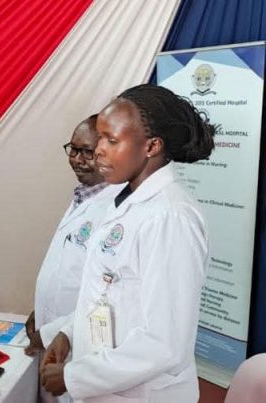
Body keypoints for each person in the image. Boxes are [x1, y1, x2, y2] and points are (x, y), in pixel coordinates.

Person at [40, 84, 215, 402]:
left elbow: (164, 343)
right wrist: (68, 333)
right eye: (100, 138)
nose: (98, 150)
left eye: (111, 140)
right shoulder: (124, 203)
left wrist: (75, 377)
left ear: (152, 146)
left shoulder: (170, 218)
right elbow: (107, 296)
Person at [25, 115, 117, 403]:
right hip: (54, 335)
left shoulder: (115, 209)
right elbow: (66, 265)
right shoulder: (82, 195)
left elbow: (106, 294)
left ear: (105, 151)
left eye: (86, 152)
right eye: (73, 149)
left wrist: (52, 330)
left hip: (80, 344)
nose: (77, 159)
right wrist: (41, 308)